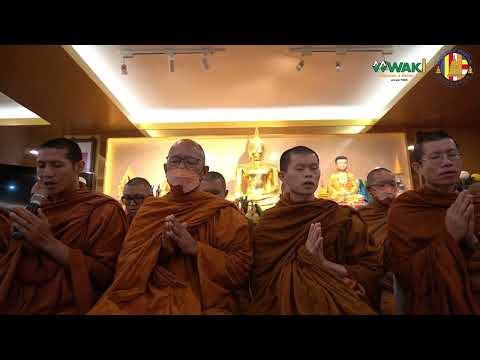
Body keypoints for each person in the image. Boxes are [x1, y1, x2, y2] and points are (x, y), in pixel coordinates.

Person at [89, 139, 252, 315]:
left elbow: (240, 270)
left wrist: (195, 249)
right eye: (175, 161)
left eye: (190, 162)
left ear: (204, 172)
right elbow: (127, 271)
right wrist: (161, 249)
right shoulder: (150, 211)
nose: (181, 167)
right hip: (150, 293)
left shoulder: (225, 213)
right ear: (165, 169)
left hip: (206, 298)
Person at [0, 138, 127, 314]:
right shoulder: (34, 205)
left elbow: (106, 275)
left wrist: (48, 242)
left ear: (79, 167)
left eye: (57, 165)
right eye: (41, 165)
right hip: (17, 301)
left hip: (67, 306)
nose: (46, 173)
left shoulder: (103, 210)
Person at [248, 146, 381, 314]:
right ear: (282, 176)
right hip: (281, 304)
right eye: (300, 168)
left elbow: (370, 270)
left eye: (313, 168)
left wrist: (323, 264)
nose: (308, 174)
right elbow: (261, 280)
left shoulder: (340, 217)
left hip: (337, 300)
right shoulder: (269, 223)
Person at [385, 130, 480, 314]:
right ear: (417, 168)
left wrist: (473, 243)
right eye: (436, 157)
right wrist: (450, 236)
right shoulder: (406, 208)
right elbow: (406, 275)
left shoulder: (473, 202)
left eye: (452, 155)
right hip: (441, 299)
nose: (447, 162)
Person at [358, 167, 398, 314]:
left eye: (392, 185)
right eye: (382, 185)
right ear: (369, 190)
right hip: (372, 278)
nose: (388, 190)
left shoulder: (405, 211)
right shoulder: (360, 217)